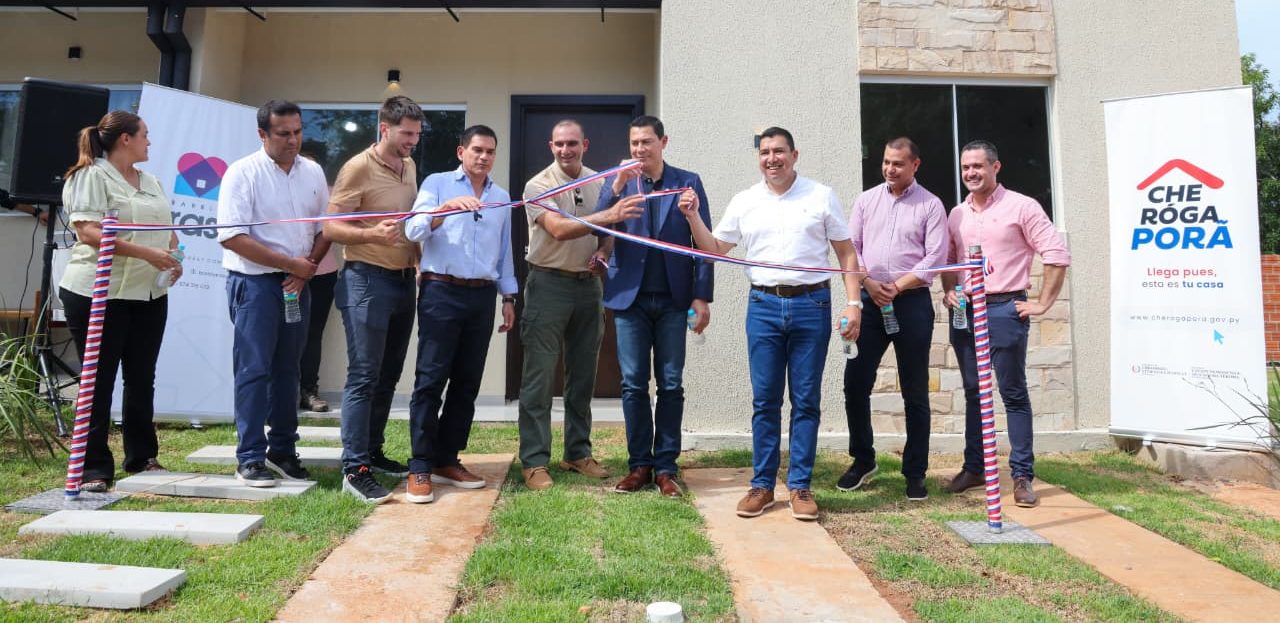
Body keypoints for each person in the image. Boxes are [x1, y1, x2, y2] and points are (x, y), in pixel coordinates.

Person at [681, 127, 862, 521]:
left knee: (806, 400)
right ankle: (762, 485)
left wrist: (854, 304)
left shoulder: (821, 195)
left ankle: (800, 486)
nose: (771, 159)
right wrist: (693, 216)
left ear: (794, 155)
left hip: (811, 305)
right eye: (765, 152)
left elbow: (846, 253)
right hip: (763, 306)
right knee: (765, 401)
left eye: (779, 151)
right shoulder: (745, 200)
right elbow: (714, 249)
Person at [941, 139, 1071, 508]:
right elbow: (950, 259)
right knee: (973, 392)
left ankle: (1022, 475)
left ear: (995, 167)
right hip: (966, 311)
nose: (971, 173)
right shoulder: (957, 214)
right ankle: (975, 468)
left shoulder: (1022, 207)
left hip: (1004, 309)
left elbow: (1056, 254)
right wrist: (949, 290)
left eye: (978, 166)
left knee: (1012, 392)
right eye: (966, 167)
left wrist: (1043, 303)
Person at [517, 119, 645, 491]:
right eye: (559, 144)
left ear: (584, 145)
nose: (565, 150)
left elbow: (611, 231)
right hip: (548, 283)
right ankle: (534, 461)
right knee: (539, 377)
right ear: (551, 146)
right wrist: (608, 215)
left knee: (583, 375)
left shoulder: (599, 181)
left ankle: (577, 452)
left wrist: (604, 252)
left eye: (572, 143)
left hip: (588, 286)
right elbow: (558, 228)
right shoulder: (538, 185)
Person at [58, 110, 180, 491]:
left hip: (149, 292)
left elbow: (168, 231)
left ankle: (142, 457)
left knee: (142, 377)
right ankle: (94, 467)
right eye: (144, 134)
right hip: (98, 293)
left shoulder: (151, 180)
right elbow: (90, 232)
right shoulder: (89, 176)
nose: (149, 141)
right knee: (98, 380)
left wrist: (173, 258)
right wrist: (149, 254)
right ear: (125, 139)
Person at [596, 115, 713, 498]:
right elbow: (597, 227)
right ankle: (639, 466)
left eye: (646, 142)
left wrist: (701, 296)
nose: (639, 149)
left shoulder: (688, 182)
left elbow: (703, 245)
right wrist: (615, 187)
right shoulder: (619, 183)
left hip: (674, 301)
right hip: (629, 300)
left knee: (671, 383)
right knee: (633, 384)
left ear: (663, 142)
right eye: (634, 143)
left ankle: (665, 467)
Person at [400, 124, 516, 504]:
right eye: (477, 150)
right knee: (431, 379)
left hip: (481, 296)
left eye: (490, 151)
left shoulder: (501, 197)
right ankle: (420, 464)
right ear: (461, 152)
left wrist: (509, 297)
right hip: (441, 291)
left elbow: (504, 252)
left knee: (467, 382)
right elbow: (413, 230)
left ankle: (446, 458)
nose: (484, 157)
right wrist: (443, 210)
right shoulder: (437, 183)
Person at [217, 99, 331, 488]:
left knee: (289, 369)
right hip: (255, 284)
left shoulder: (312, 171)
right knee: (254, 370)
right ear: (262, 134)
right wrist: (291, 265)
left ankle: (282, 450)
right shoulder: (242, 173)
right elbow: (232, 236)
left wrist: (305, 269)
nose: (293, 140)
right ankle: (250, 457)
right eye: (283, 133)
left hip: (297, 285)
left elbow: (326, 228)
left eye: (298, 132)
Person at [321, 95, 422, 503]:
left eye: (416, 134)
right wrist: (369, 234)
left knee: (388, 374)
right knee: (364, 374)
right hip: (365, 279)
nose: (412, 141)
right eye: (406, 134)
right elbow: (330, 227)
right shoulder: (358, 167)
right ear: (385, 128)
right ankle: (354, 468)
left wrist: (418, 262)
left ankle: (373, 452)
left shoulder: (409, 165)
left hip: (403, 281)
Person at [839, 137, 948, 501]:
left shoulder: (931, 205)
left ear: (915, 165)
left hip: (911, 303)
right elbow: (851, 249)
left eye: (898, 163)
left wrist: (897, 286)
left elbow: (934, 258)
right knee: (855, 383)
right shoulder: (866, 200)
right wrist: (869, 283)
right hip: (869, 302)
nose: (890, 169)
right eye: (886, 162)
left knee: (915, 390)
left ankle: (915, 472)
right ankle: (863, 459)